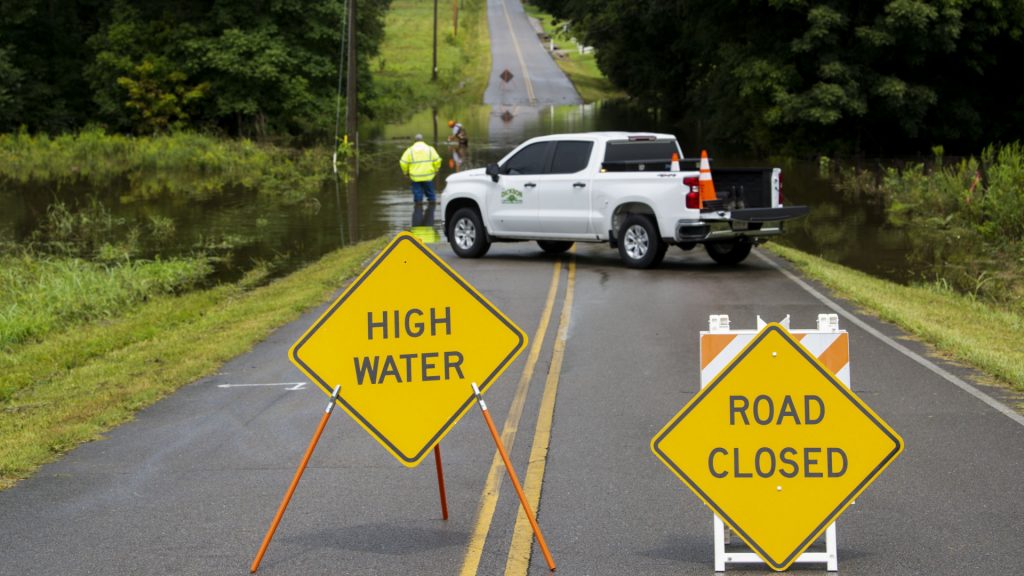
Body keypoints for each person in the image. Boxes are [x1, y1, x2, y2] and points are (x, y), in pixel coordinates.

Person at [399, 134, 441, 202]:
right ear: (422, 140)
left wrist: (405, 172)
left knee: (417, 196)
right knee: (431, 195)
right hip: (428, 176)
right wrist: (436, 169)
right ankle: (431, 209)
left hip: (415, 177)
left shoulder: (410, 150)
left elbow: (403, 162)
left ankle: (418, 209)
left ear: (415, 141)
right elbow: (437, 160)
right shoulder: (430, 149)